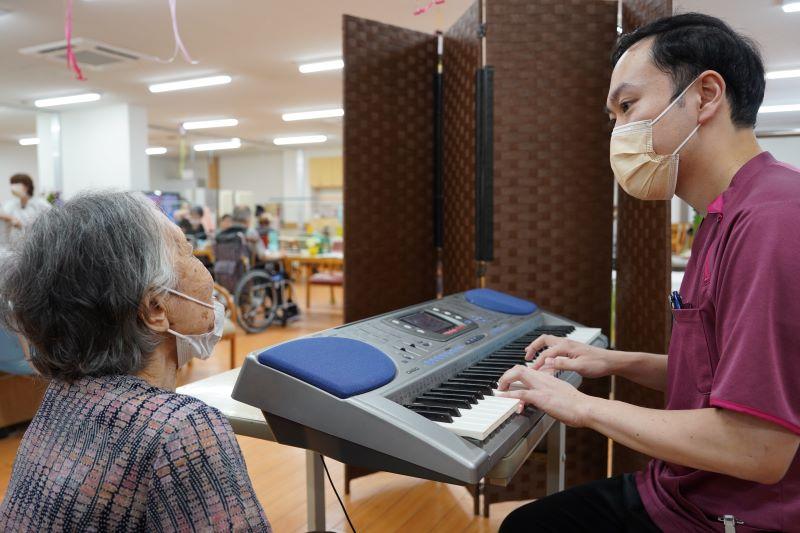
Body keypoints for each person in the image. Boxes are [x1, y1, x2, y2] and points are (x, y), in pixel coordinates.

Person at [499, 13, 800, 533]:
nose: (618, 132)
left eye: (628, 106)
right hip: (680, 486)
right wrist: (613, 361)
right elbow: (727, 377)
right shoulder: (726, 212)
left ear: (705, 96)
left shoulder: (773, 220)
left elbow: (758, 446)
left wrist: (582, 408)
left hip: (728, 514)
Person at [0, 192, 271, 531]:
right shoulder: (180, 431)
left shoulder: (62, 397)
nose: (202, 265)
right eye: (186, 249)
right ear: (155, 309)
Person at [0, 174, 50, 244]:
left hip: (37, 243)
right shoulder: (11, 204)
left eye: (16, 183)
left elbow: (50, 221)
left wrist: (21, 225)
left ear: (27, 186)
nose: (13, 187)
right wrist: (11, 218)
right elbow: (2, 213)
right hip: (16, 244)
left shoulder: (40, 203)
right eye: (12, 184)